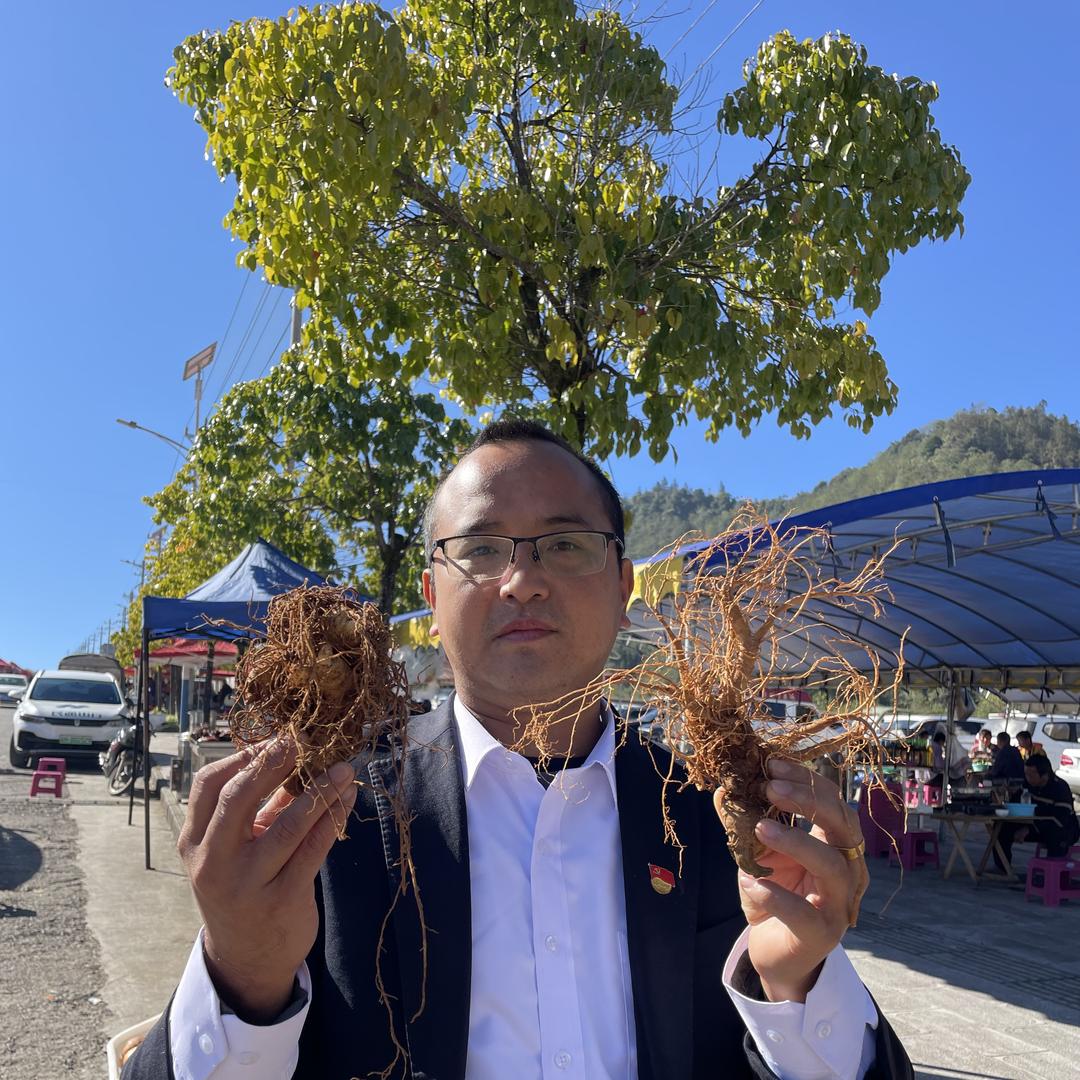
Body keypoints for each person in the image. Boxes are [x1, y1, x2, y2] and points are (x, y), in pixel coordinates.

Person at [125, 420, 911, 1080]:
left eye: (564, 546)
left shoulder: (715, 818)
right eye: (482, 548)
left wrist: (797, 986)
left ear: (624, 585)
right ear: (431, 600)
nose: (522, 580)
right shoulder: (325, 821)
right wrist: (241, 981)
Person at [993, 753, 1080, 874]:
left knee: (1056, 836)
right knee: (1001, 827)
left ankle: (1054, 876)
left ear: (1044, 776)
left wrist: (1031, 829)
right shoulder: (1028, 784)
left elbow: (1060, 818)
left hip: (1062, 828)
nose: (1027, 778)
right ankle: (1003, 868)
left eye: (1031, 775)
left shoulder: (1059, 788)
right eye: (1026, 774)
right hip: (1034, 825)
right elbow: (1016, 803)